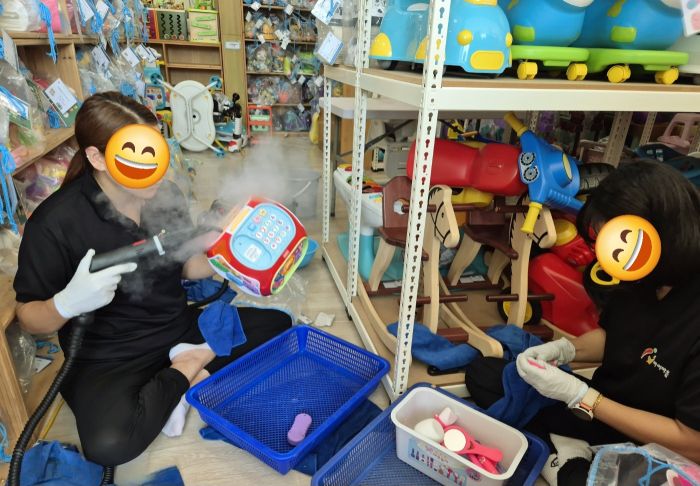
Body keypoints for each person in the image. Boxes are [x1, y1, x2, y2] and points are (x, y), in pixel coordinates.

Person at [13, 92, 292, 469]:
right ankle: (190, 367)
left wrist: (225, 252)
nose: (156, 168)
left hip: (176, 327)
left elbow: (184, 267)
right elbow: (29, 316)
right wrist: (66, 303)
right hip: (108, 356)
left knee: (279, 326)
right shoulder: (56, 222)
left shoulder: (166, 194)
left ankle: (184, 366)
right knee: (109, 445)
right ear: (98, 158)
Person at [466, 160, 700, 485]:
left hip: (663, 448)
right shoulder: (640, 277)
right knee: (488, 375)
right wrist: (564, 350)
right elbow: (617, 336)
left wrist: (583, 397)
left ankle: (565, 458)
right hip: (607, 411)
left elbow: (692, 442)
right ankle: (569, 454)